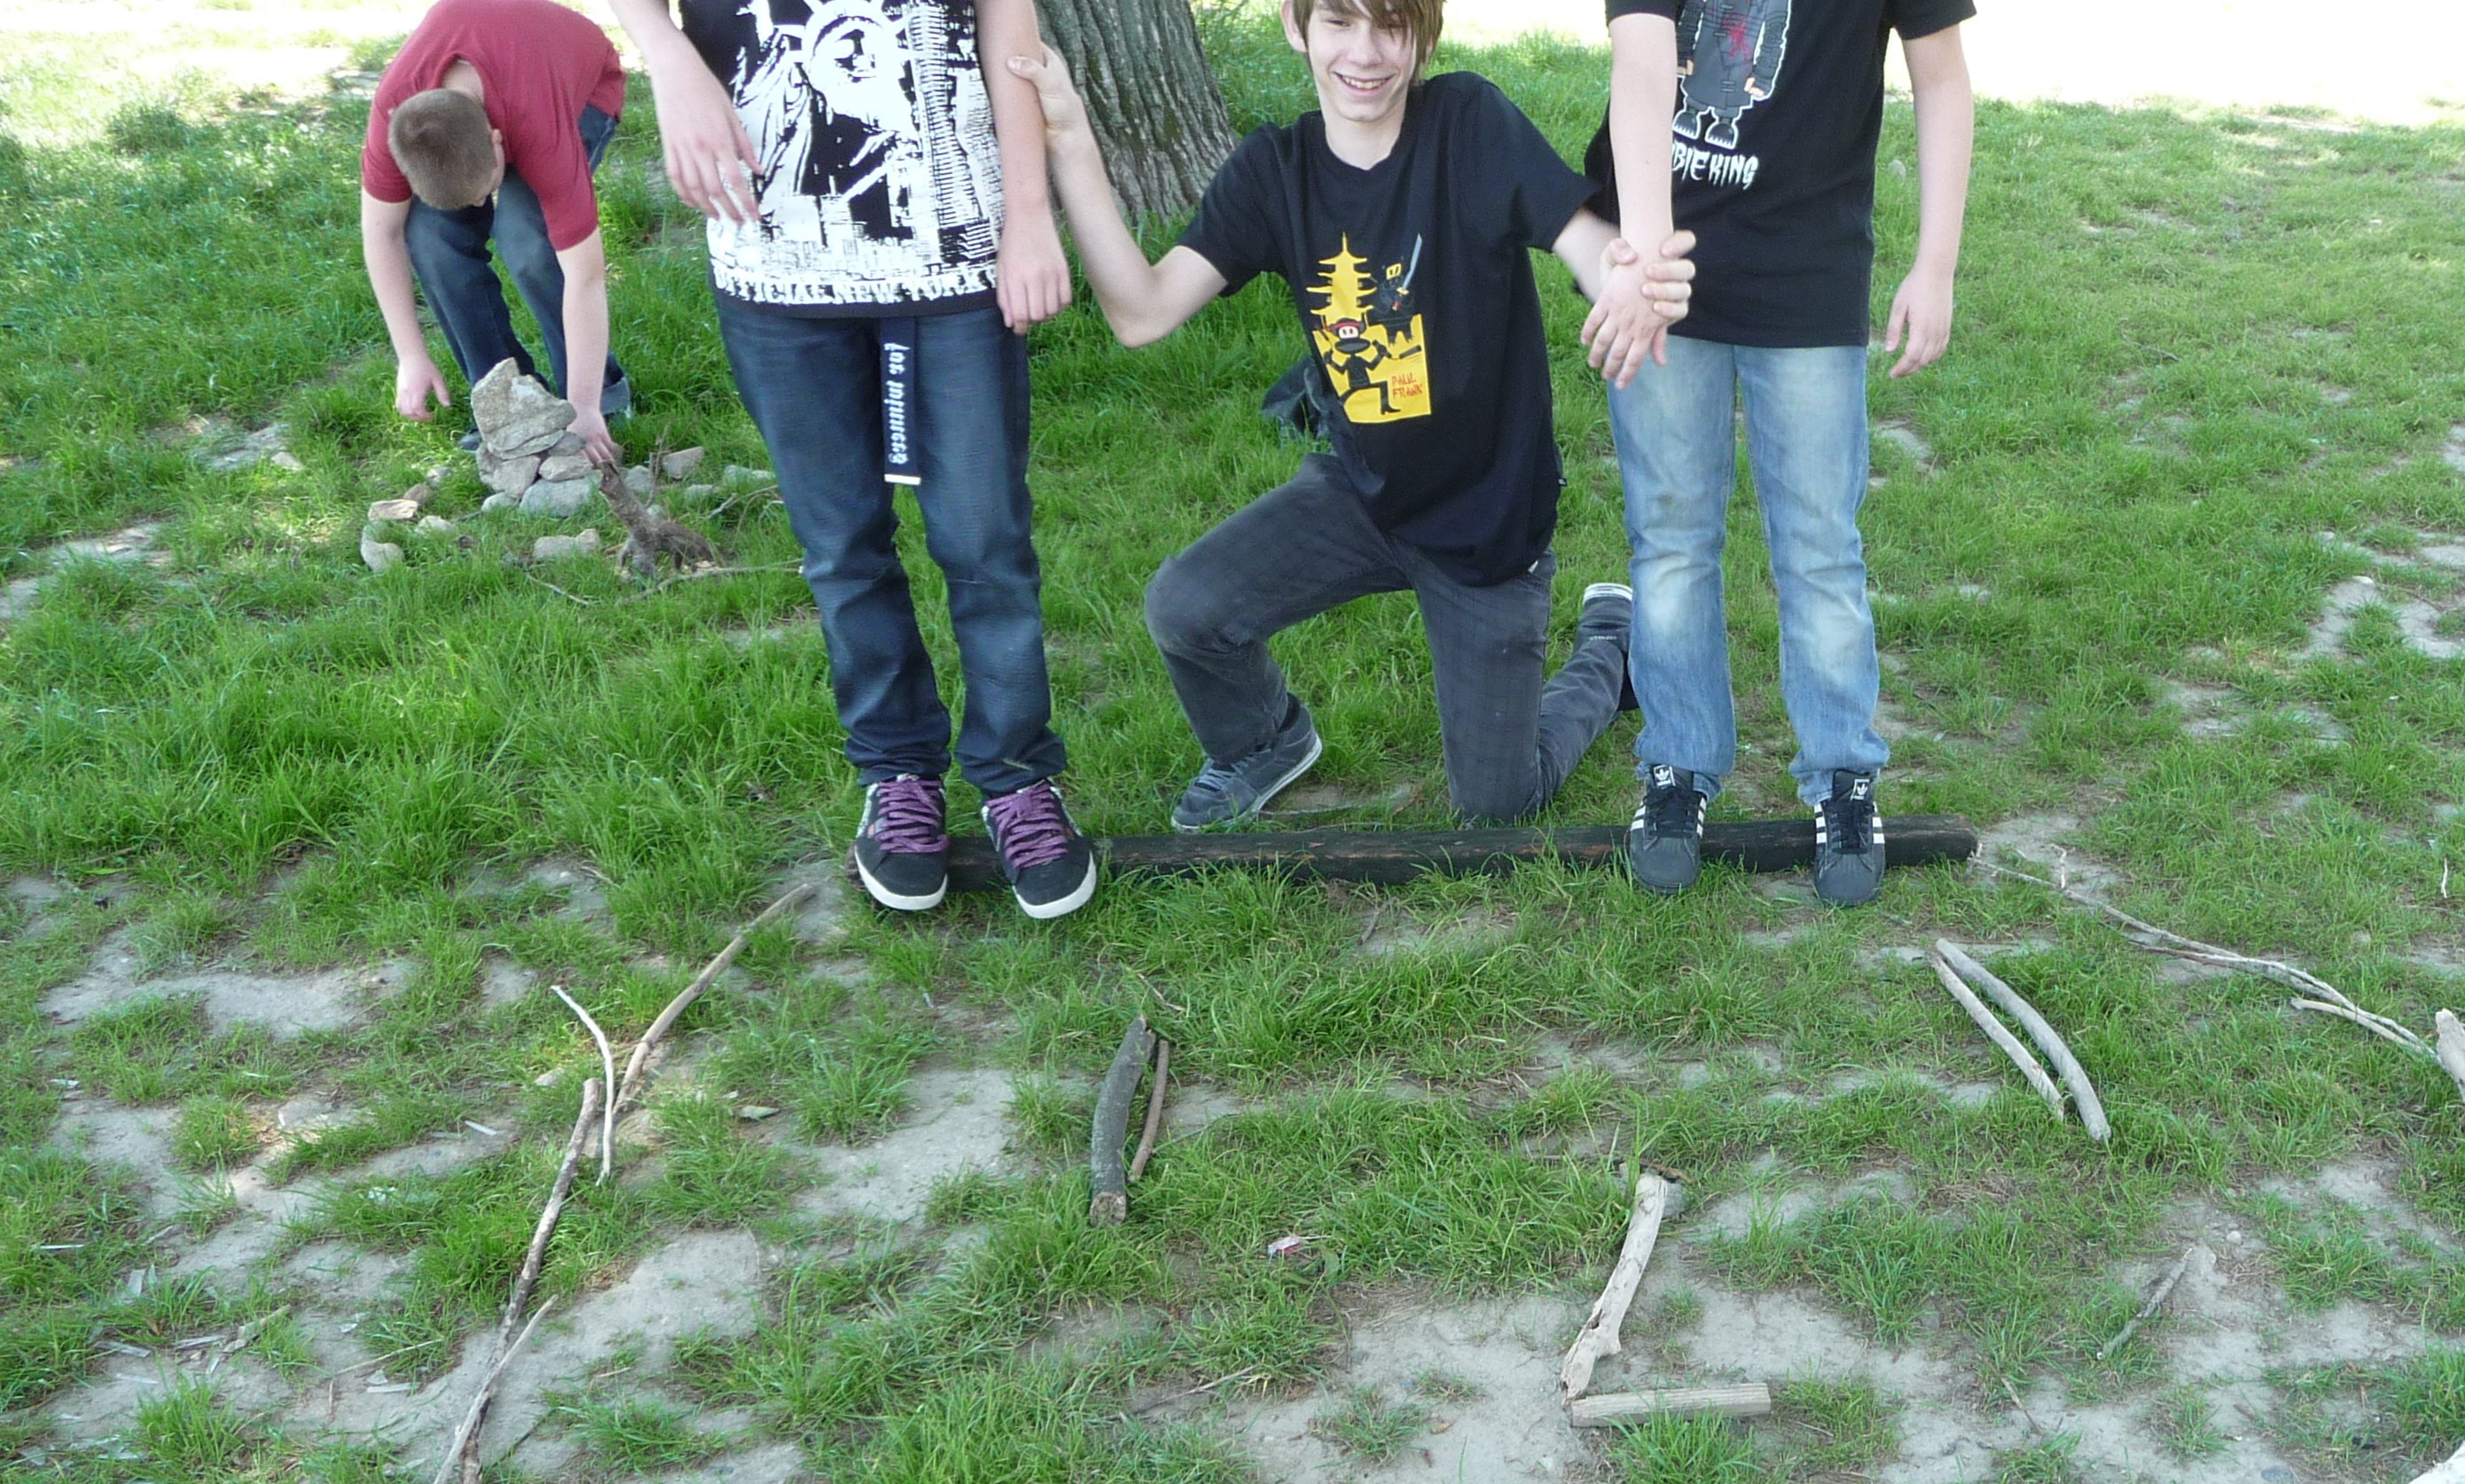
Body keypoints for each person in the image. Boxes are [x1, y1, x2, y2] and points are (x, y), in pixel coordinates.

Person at [1012, 0, 1691, 834]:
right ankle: (1265, 740)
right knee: (1185, 608)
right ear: (1296, 26)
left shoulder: (1468, 125)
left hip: (1487, 523)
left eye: (1391, 25)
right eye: (1339, 21)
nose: (1365, 53)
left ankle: (1609, 648)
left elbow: (1582, 241)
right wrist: (1072, 141)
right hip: (1363, 494)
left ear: (1424, 34)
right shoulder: (1276, 170)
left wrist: (1623, 279)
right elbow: (1140, 314)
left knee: (1496, 806)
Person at [599, 0, 1095, 920]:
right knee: (841, 549)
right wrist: (664, 53)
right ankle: (898, 773)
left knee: (984, 541)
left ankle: (1017, 776)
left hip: (955, 261)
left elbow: (1009, 26)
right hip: (774, 266)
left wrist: (1030, 215)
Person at [1591, 0, 1975, 905]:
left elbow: (1943, 79)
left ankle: (1843, 777)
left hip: (1810, 275)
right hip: (1665, 272)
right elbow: (1641, 64)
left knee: (1819, 547)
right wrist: (1647, 265)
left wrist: (1936, 264)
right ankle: (1678, 768)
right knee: (1671, 538)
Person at [357, 0, 634, 462]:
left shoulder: (541, 128)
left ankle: (598, 393)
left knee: (527, 238)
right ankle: (505, 402)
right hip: (498, 79)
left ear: (497, 139)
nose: (478, 208)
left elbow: (585, 275)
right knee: (428, 236)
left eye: (484, 190)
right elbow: (381, 234)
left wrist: (584, 407)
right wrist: (411, 355)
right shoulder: (395, 116)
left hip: (580, 84)